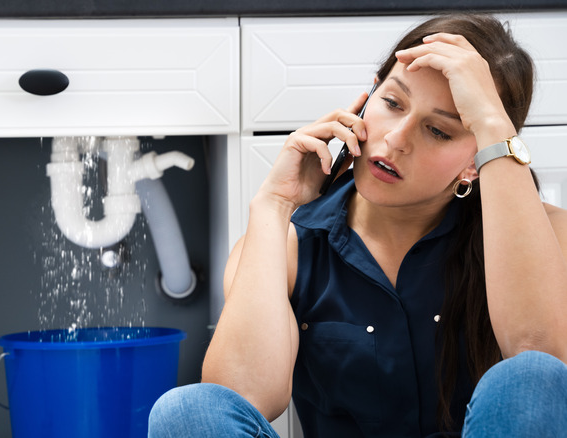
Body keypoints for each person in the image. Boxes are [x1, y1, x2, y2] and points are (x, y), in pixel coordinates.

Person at [148, 13, 567, 438]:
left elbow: (544, 366)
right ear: (368, 96)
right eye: (392, 103)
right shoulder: (288, 245)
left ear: (475, 164)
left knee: (532, 375)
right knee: (187, 410)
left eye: (439, 131)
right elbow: (239, 399)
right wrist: (274, 205)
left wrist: (493, 127)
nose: (396, 138)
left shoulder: (551, 236)